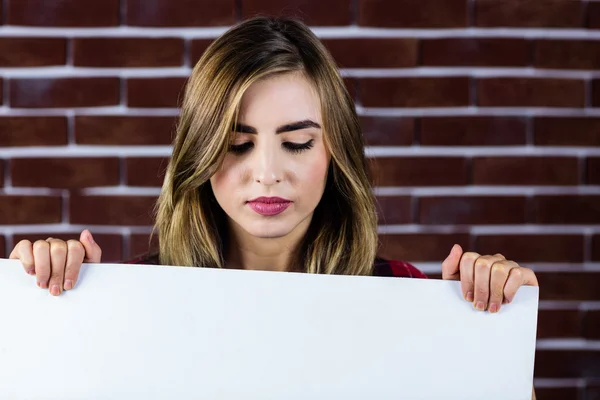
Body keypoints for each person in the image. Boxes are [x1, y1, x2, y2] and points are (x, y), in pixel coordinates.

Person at [9, 16, 538, 399]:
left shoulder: (407, 296)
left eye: (298, 142)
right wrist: (59, 318)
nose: (267, 172)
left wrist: (490, 344)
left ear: (335, 150)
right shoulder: (127, 299)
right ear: (200, 152)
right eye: (238, 144)